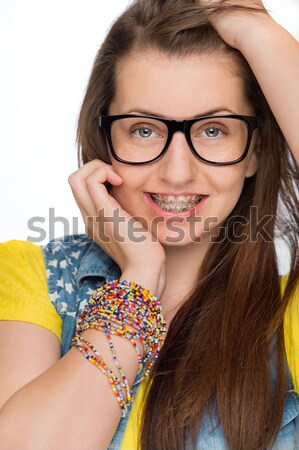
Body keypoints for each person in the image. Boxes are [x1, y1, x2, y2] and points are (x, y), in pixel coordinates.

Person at [1, 0, 299, 448]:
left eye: (214, 130)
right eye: (144, 130)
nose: (177, 172)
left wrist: (253, 27)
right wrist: (138, 280)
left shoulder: (286, 314)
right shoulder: (31, 277)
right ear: (105, 140)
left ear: (254, 150)